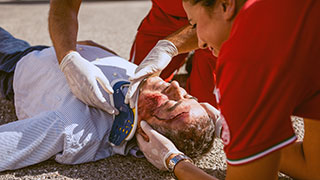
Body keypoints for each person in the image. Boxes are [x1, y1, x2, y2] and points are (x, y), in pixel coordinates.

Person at [135, 0, 320, 179]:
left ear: (226, 4)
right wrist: (170, 46)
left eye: (195, 24)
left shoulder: (243, 64)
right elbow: (313, 169)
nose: (199, 43)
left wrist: (177, 162)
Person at [0, 27, 216, 172]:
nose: (177, 86)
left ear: (145, 132)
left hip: (13, 66)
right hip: (46, 52)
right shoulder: (140, 90)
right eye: (188, 95)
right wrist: (81, 50)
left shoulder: (76, 125)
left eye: (171, 103)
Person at [128, 0, 218, 106]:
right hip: (165, 13)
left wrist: (169, 46)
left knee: (208, 104)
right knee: (135, 87)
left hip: (213, 13)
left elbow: (222, 19)